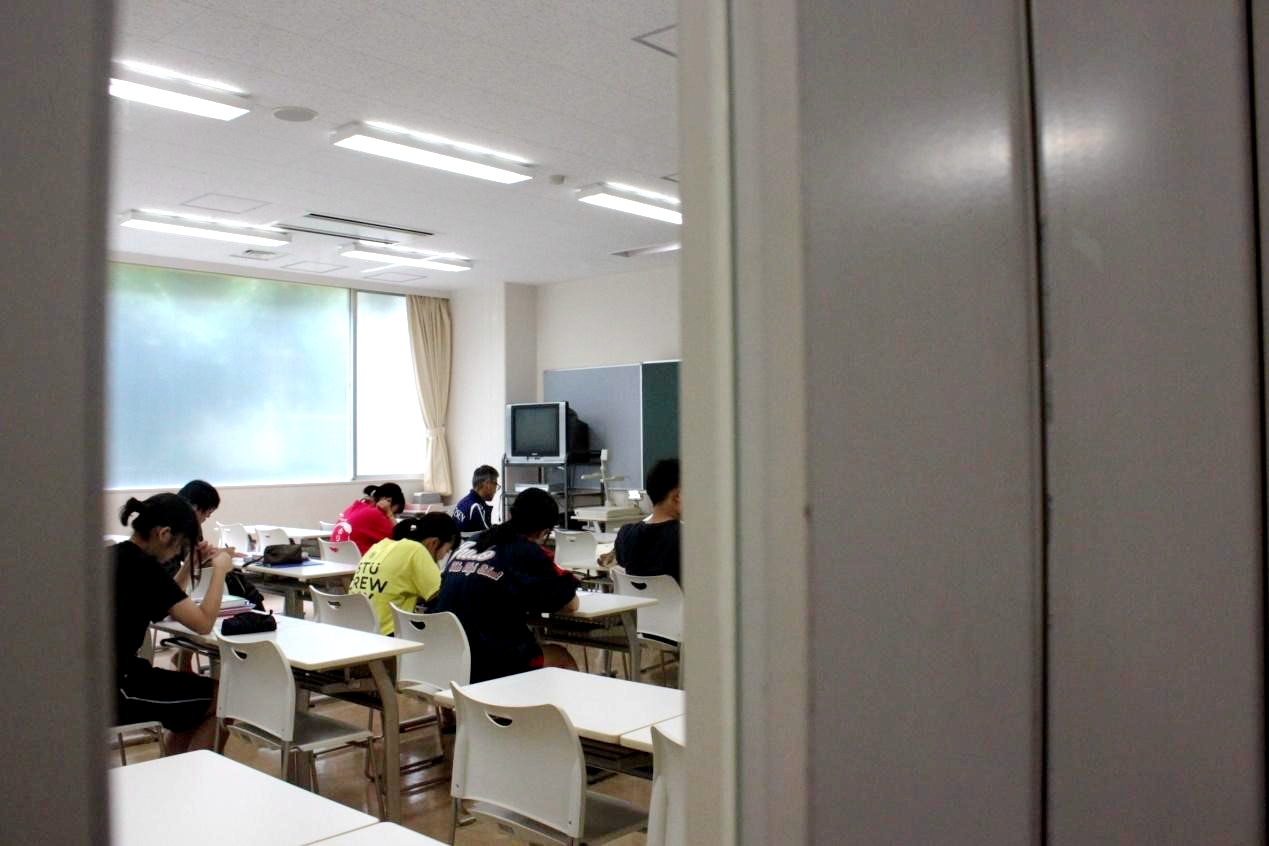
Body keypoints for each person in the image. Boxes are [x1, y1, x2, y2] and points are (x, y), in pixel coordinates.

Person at [113, 493, 235, 754]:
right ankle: (195, 775)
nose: (177, 553)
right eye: (180, 545)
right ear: (164, 534)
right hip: (119, 689)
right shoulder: (145, 568)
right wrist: (220, 571)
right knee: (226, 697)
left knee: (192, 708)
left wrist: (189, 565)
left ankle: (176, 768)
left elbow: (163, 600)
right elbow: (203, 623)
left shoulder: (118, 555)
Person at [430, 488, 579, 682]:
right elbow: (570, 604)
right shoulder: (526, 551)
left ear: (511, 514)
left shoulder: (474, 541)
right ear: (543, 531)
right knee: (561, 657)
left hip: (447, 655)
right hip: (490, 659)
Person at [348, 512, 459, 635]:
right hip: (385, 637)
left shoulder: (379, 545)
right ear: (434, 543)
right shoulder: (416, 550)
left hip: (354, 630)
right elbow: (445, 596)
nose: (443, 557)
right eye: (446, 551)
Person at [615, 459, 682, 584]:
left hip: (637, 597)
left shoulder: (625, 534)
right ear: (677, 496)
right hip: (682, 597)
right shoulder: (687, 537)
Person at [330, 482, 405, 555]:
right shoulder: (375, 513)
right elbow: (400, 539)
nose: (392, 517)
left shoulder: (355, 507)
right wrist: (389, 514)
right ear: (388, 501)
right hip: (356, 559)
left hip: (335, 557)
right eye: (394, 513)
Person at [453, 465, 498, 534]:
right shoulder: (476, 507)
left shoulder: (463, 501)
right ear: (487, 484)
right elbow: (489, 536)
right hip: (470, 541)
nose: (495, 490)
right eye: (495, 484)